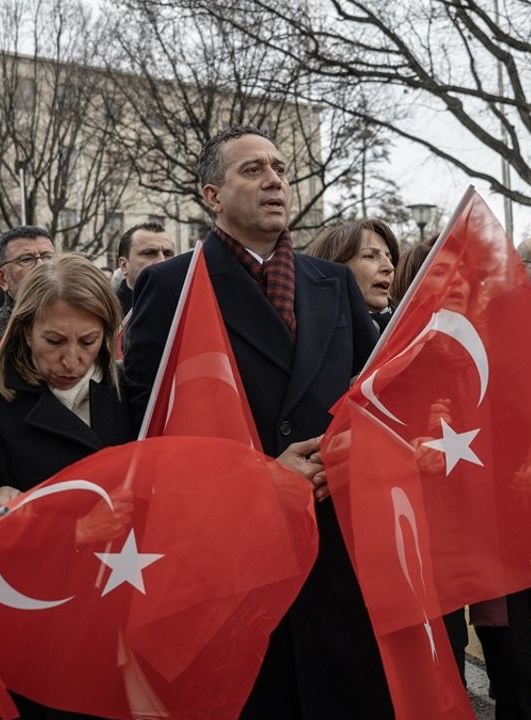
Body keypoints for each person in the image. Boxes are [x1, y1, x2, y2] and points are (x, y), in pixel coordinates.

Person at [124, 126, 386, 719]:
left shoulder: (334, 283)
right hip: (231, 551)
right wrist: (262, 476)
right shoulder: (172, 285)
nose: (274, 180)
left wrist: (345, 455)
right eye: (252, 170)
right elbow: (149, 424)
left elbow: (372, 395)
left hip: (334, 542)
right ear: (211, 194)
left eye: (280, 169)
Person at [0, 253, 133, 517]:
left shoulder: (132, 390)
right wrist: (0, 504)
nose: (71, 361)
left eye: (87, 342)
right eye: (54, 341)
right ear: (27, 331)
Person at [306, 218, 399, 332]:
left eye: (389, 258)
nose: (389, 267)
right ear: (333, 266)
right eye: (370, 256)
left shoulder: (407, 335)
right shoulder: (309, 337)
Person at [0, 226, 56, 336]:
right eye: (26, 259)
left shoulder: (84, 317)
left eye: (48, 258)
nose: (42, 266)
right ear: (2, 278)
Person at [115, 221, 177, 314]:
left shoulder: (185, 308)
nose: (162, 261)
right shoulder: (108, 314)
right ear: (124, 265)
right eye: (150, 253)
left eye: (167, 254)